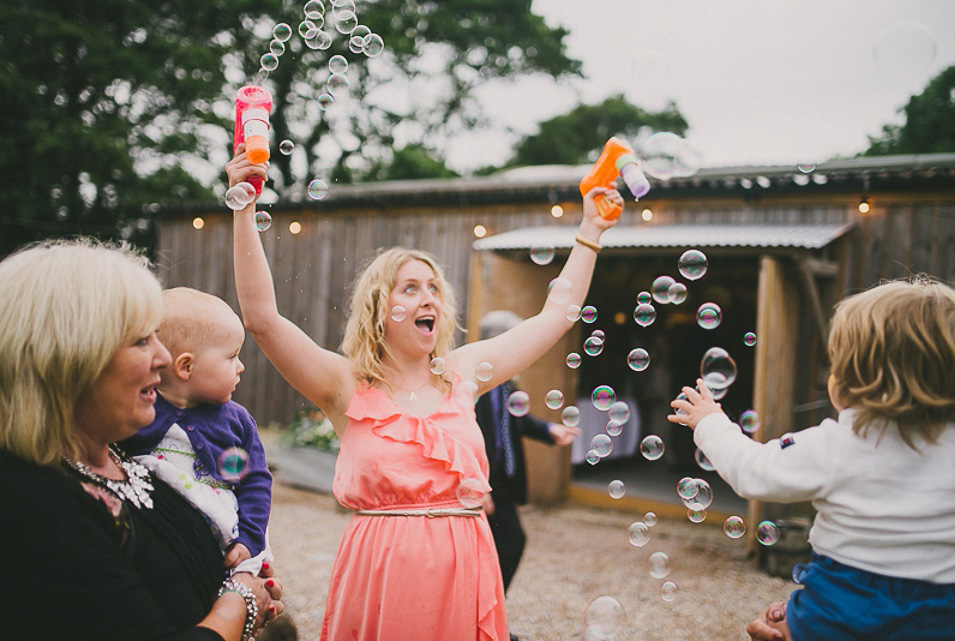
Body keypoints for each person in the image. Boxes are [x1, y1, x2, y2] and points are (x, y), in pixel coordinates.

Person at [228, 147, 620, 641]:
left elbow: (554, 317)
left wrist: (590, 232)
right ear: (378, 306)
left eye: (434, 288)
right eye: (410, 288)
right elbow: (263, 320)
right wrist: (244, 205)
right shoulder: (344, 384)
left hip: (465, 569)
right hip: (381, 572)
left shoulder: (462, 373)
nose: (429, 296)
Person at [0, 238, 284, 641]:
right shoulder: (32, 504)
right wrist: (240, 603)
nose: (164, 358)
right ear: (69, 358)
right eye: (140, 340)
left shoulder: (119, 458)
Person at [668, 277, 955, 641]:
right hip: (943, 617)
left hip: (840, 612)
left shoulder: (839, 444)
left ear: (854, 380)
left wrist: (710, 421)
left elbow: (752, 471)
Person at [119, 287, 273, 576]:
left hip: (226, 546)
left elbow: (255, 482)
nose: (241, 367)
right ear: (186, 366)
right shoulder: (138, 412)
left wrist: (250, 540)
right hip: (160, 545)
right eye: (232, 356)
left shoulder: (237, 422)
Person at [475, 310, 580, 595]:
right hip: (482, 483)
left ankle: (489, 618)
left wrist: (549, 430)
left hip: (504, 481)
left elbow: (517, 420)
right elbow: (459, 437)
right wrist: (476, 485)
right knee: (506, 543)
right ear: (495, 341)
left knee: (505, 546)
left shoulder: (507, 382)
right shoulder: (472, 384)